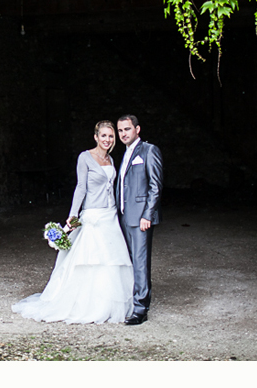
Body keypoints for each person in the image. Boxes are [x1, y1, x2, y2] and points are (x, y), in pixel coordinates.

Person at [12, 121, 134, 323]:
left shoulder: (111, 159)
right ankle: (87, 304)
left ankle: (110, 304)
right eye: (103, 135)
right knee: (89, 260)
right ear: (96, 137)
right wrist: (73, 215)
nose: (107, 140)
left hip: (110, 215)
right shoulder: (85, 157)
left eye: (111, 136)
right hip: (93, 215)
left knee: (111, 260)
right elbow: (81, 188)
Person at [116, 114, 163, 325]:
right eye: (120, 130)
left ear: (137, 129)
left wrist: (148, 215)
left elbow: (155, 186)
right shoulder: (125, 154)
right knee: (130, 261)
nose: (123, 134)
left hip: (140, 217)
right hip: (125, 216)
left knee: (140, 262)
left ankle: (140, 309)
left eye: (127, 129)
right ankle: (131, 300)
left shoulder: (149, 150)